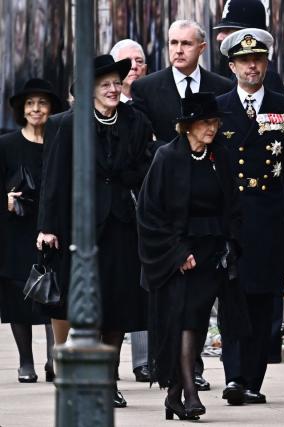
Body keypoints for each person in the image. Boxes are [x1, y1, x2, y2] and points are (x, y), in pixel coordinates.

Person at [36, 55, 153, 408]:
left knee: (117, 305)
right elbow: (53, 179)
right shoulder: (66, 124)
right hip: (79, 225)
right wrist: (46, 226)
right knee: (84, 304)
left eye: (117, 83)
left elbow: (144, 167)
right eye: (105, 84)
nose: (114, 89)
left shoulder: (136, 121)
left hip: (120, 224)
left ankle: (107, 379)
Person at [137, 92, 244, 421]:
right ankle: (190, 394)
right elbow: (150, 211)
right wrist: (178, 251)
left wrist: (230, 245)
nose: (211, 128)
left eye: (214, 122)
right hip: (177, 254)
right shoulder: (167, 157)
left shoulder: (219, 155)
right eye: (204, 123)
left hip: (211, 252)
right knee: (181, 320)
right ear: (187, 126)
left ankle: (173, 395)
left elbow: (232, 203)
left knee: (196, 321)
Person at [215, 28, 284, 405]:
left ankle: (253, 378)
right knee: (233, 295)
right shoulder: (218, 107)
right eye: (244, 61)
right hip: (231, 214)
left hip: (269, 215)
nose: (252, 66)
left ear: (266, 63)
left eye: (258, 59)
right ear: (232, 66)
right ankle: (234, 376)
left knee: (264, 298)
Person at [0, 78, 63, 383]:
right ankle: (26, 362)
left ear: (51, 108)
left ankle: (54, 359)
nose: (36, 109)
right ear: (22, 110)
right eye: (30, 103)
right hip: (17, 231)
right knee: (17, 297)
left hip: (52, 228)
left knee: (54, 294)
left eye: (42, 103)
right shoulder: (6, 144)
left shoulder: (59, 140)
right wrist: (5, 200)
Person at [110, 38, 151, 384]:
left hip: (147, 206)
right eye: (128, 63)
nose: (136, 68)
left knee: (142, 284)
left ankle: (144, 360)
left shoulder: (148, 106)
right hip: (114, 211)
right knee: (119, 285)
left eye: (140, 62)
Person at [131, 19, 234, 143]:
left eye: (186, 44)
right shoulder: (144, 88)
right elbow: (141, 142)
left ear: (201, 48)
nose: (179, 50)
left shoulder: (223, 87)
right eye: (174, 43)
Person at [213, 0, 284, 94]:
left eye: (227, 30)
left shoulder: (265, 76)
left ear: (249, 36)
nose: (219, 37)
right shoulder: (230, 67)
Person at [110, 39, 148, 104]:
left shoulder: (155, 102)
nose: (134, 66)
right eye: (127, 62)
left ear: (145, 69)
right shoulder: (102, 105)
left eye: (139, 61)